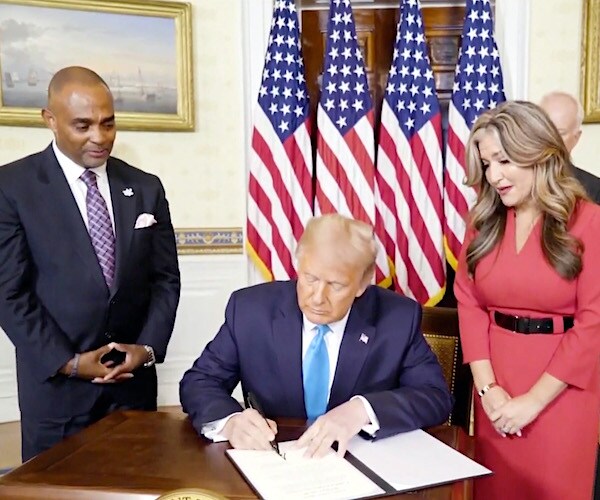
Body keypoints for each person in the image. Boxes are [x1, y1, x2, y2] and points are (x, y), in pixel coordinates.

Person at [0, 66, 181, 461]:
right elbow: (8, 293)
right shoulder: (12, 187)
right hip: (58, 393)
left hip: (132, 388)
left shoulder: (146, 187)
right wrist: (69, 363)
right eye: (82, 125)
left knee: (136, 480)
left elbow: (165, 279)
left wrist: (147, 348)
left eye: (108, 123)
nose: (99, 137)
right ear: (50, 119)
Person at [180, 214, 452, 458]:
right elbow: (199, 382)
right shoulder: (251, 311)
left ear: (363, 282)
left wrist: (361, 410)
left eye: (336, 285)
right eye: (310, 279)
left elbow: (435, 397)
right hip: (275, 463)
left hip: (359, 466)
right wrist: (231, 421)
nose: (318, 298)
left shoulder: (397, 318)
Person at [455, 100, 600, 500]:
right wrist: (488, 389)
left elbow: (594, 320)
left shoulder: (589, 220)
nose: (494, 176)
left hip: (562, 391)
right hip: (495, 389)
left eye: (504, 161)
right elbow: (468, 301)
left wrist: (534, 401)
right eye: (487, 164)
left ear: (539, 152)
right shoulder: (484, 221)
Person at [540, 91, 600, 203]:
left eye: (560, 133)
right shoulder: (515, 183)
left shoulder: (595, 190)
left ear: (576, 137)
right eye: (544, 130)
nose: (550, 138)